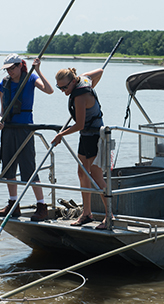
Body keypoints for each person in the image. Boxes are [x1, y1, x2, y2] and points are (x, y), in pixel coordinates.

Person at [0, 54, 54, 221]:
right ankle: (13, 205)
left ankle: (41, 206)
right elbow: (2, 111)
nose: (10, 72)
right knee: (9, 169)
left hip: (25, 129)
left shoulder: (30, 78)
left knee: (29, 168)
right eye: (7, 69)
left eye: (12, 68)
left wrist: (39, 70)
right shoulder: (4, 84)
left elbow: (49, 90)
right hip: (9, 129)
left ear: (20, 65)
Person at [51, 67, 109, 230]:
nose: (63, 91)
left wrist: (60, 135)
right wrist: (89, 82)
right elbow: (99, 72)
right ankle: (87, 213)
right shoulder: (83, 80)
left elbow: (79, 124)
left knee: (96, 177)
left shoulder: (81, 96)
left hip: (95, 137)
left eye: (64, 87)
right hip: (85, 136)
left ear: (73, 81)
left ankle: (109, 215)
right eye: (59, 88)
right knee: (82, 173)